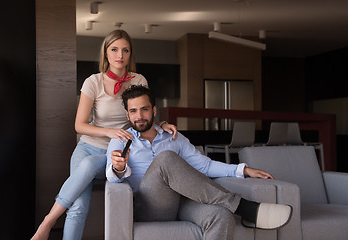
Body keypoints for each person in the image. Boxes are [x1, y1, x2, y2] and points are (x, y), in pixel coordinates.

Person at [31, 30, 177, 240]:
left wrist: (161, 123)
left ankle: (48, 221)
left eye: (125, 50)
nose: (120, 55)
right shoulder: (93, 82)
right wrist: (109, 131)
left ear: (130, 54)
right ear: (106, 54)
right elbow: (79, 125)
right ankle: (47, 224)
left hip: (117, 151)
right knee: (78, 206)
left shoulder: (139, 80)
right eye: (114, 49)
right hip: (88, 147)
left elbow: (144, 114)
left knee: (90, 165)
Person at [106, 85, 293, 239]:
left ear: (154, 110)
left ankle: (234, 207)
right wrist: (119, 168)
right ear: (127, 114)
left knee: (222, 216)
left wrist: (242, 170)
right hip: (148, 207)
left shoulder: (173, 137)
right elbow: (112, 178)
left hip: (181, 202)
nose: (139, 116)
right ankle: (243, 207)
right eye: (133, 111)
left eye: (144, 109)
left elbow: (205, 165)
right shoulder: (120, 139)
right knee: (166, 158)